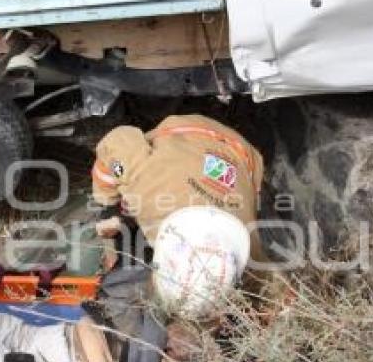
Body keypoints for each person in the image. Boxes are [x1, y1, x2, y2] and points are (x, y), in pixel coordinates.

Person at [91, 113, 265, 273]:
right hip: (189, 133)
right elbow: (114, 143)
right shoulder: (146, 176)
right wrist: (109, 206)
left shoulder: (250, 248)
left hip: (243, 157)